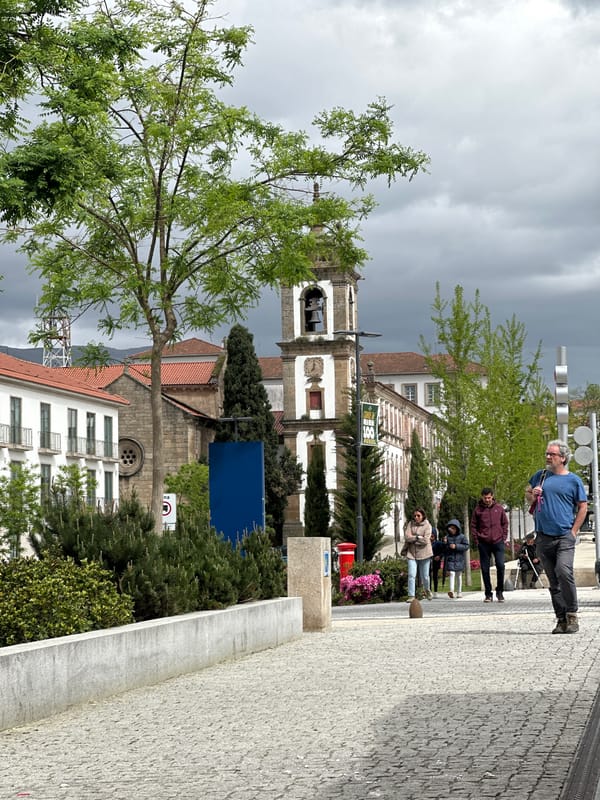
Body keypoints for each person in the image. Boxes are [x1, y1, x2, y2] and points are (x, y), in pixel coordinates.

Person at [525, 439, 587, 634]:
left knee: (564, 571)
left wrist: (573, 531)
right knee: (553, 579)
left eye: (551, 454)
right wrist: (532, 496)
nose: (548, 457)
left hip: (564, 537)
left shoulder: (573, 480)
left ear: (563, 458)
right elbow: (527, 495)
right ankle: (561, 619)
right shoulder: (540, 476)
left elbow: (583, 506)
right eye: (547, 454)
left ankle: (572, 615)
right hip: (543, 536)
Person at [470, 487, 509, 603]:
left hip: (498, 542)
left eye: (489, 497)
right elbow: (473, 526)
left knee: (501, 566)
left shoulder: (499, 508)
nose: (487, 500)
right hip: (484, 543)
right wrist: (477, 539)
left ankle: (500, 591)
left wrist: (503, 537)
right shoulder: (478, 510)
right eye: (485, 497)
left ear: (492, 496)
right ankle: (488, 593)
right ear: (482, 497)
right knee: (485, 569)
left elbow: (505, 523)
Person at [403, 507, 433, 601]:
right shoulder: (410, 524)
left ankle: (427, 590)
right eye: (415, 515)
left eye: (418, 515)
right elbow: (407, 537)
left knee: (425, 576)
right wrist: (417, 537)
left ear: (423, 516)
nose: (416, 517)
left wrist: (414, 538)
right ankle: (411, 596)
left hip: (425, 553)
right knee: (411, 575)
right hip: (412, 553)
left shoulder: (427, 525)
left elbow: (425, 540)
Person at [444, 519, 469, 598]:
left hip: (459, 559)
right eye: (450, 528)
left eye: (453, 528)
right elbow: (445, 549)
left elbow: (466, 546)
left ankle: (459, 592)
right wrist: (445, 543)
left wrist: (456, 546)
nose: (451, 530)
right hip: (451, 559)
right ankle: (451, 590)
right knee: (451, 573)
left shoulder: (462, 537)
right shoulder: (447, 537)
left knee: (459, 575)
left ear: (457, 529)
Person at [430, 528, 446, 597]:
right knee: (427, 576)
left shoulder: (439, 543)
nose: (431, 537)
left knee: (435, 576)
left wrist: (439, 556)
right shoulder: (426, 543)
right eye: (430, 536)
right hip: (428, 561)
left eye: (432, 536)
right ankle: (429, 591)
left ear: (435, 536)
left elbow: (444, 551)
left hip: (436, 562)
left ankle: (435, 591)